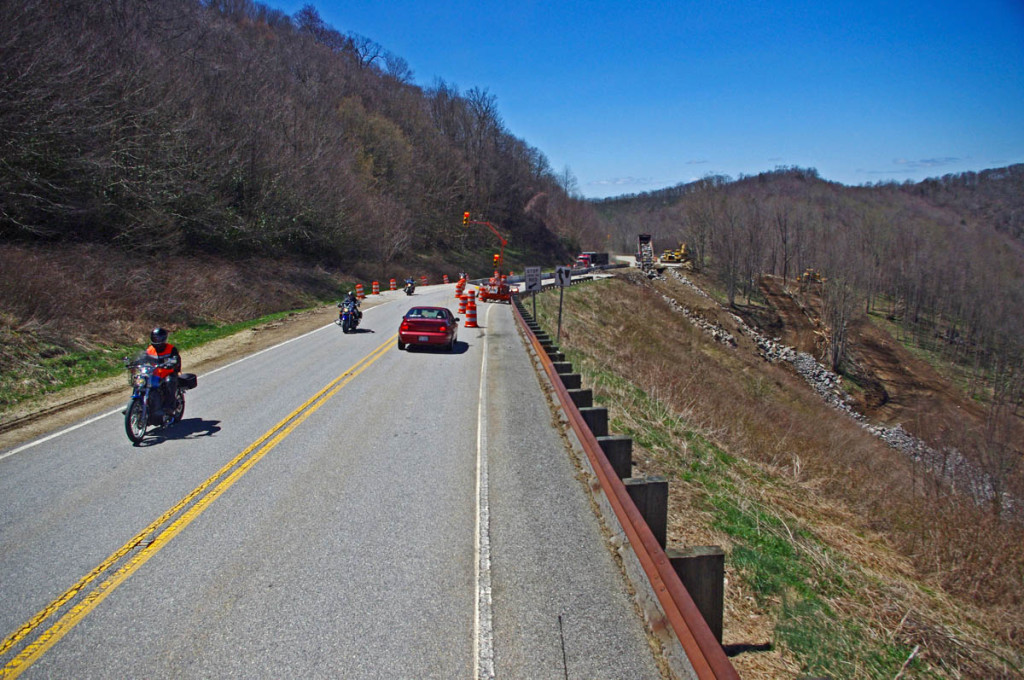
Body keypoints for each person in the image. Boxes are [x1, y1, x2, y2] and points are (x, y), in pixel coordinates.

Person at [146, 327, 180, 420]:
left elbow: (176, 359)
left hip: (168, 373)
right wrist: (135, 362)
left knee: (170, 382)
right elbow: (143, 358)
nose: (156, 340)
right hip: (154, 374)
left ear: (163, 338)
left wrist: (172, 363)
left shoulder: (171, 349)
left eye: (158, 338)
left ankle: (169, 407)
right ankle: (136, 405)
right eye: (154, 338)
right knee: (141, 381)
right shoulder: (150, 349)